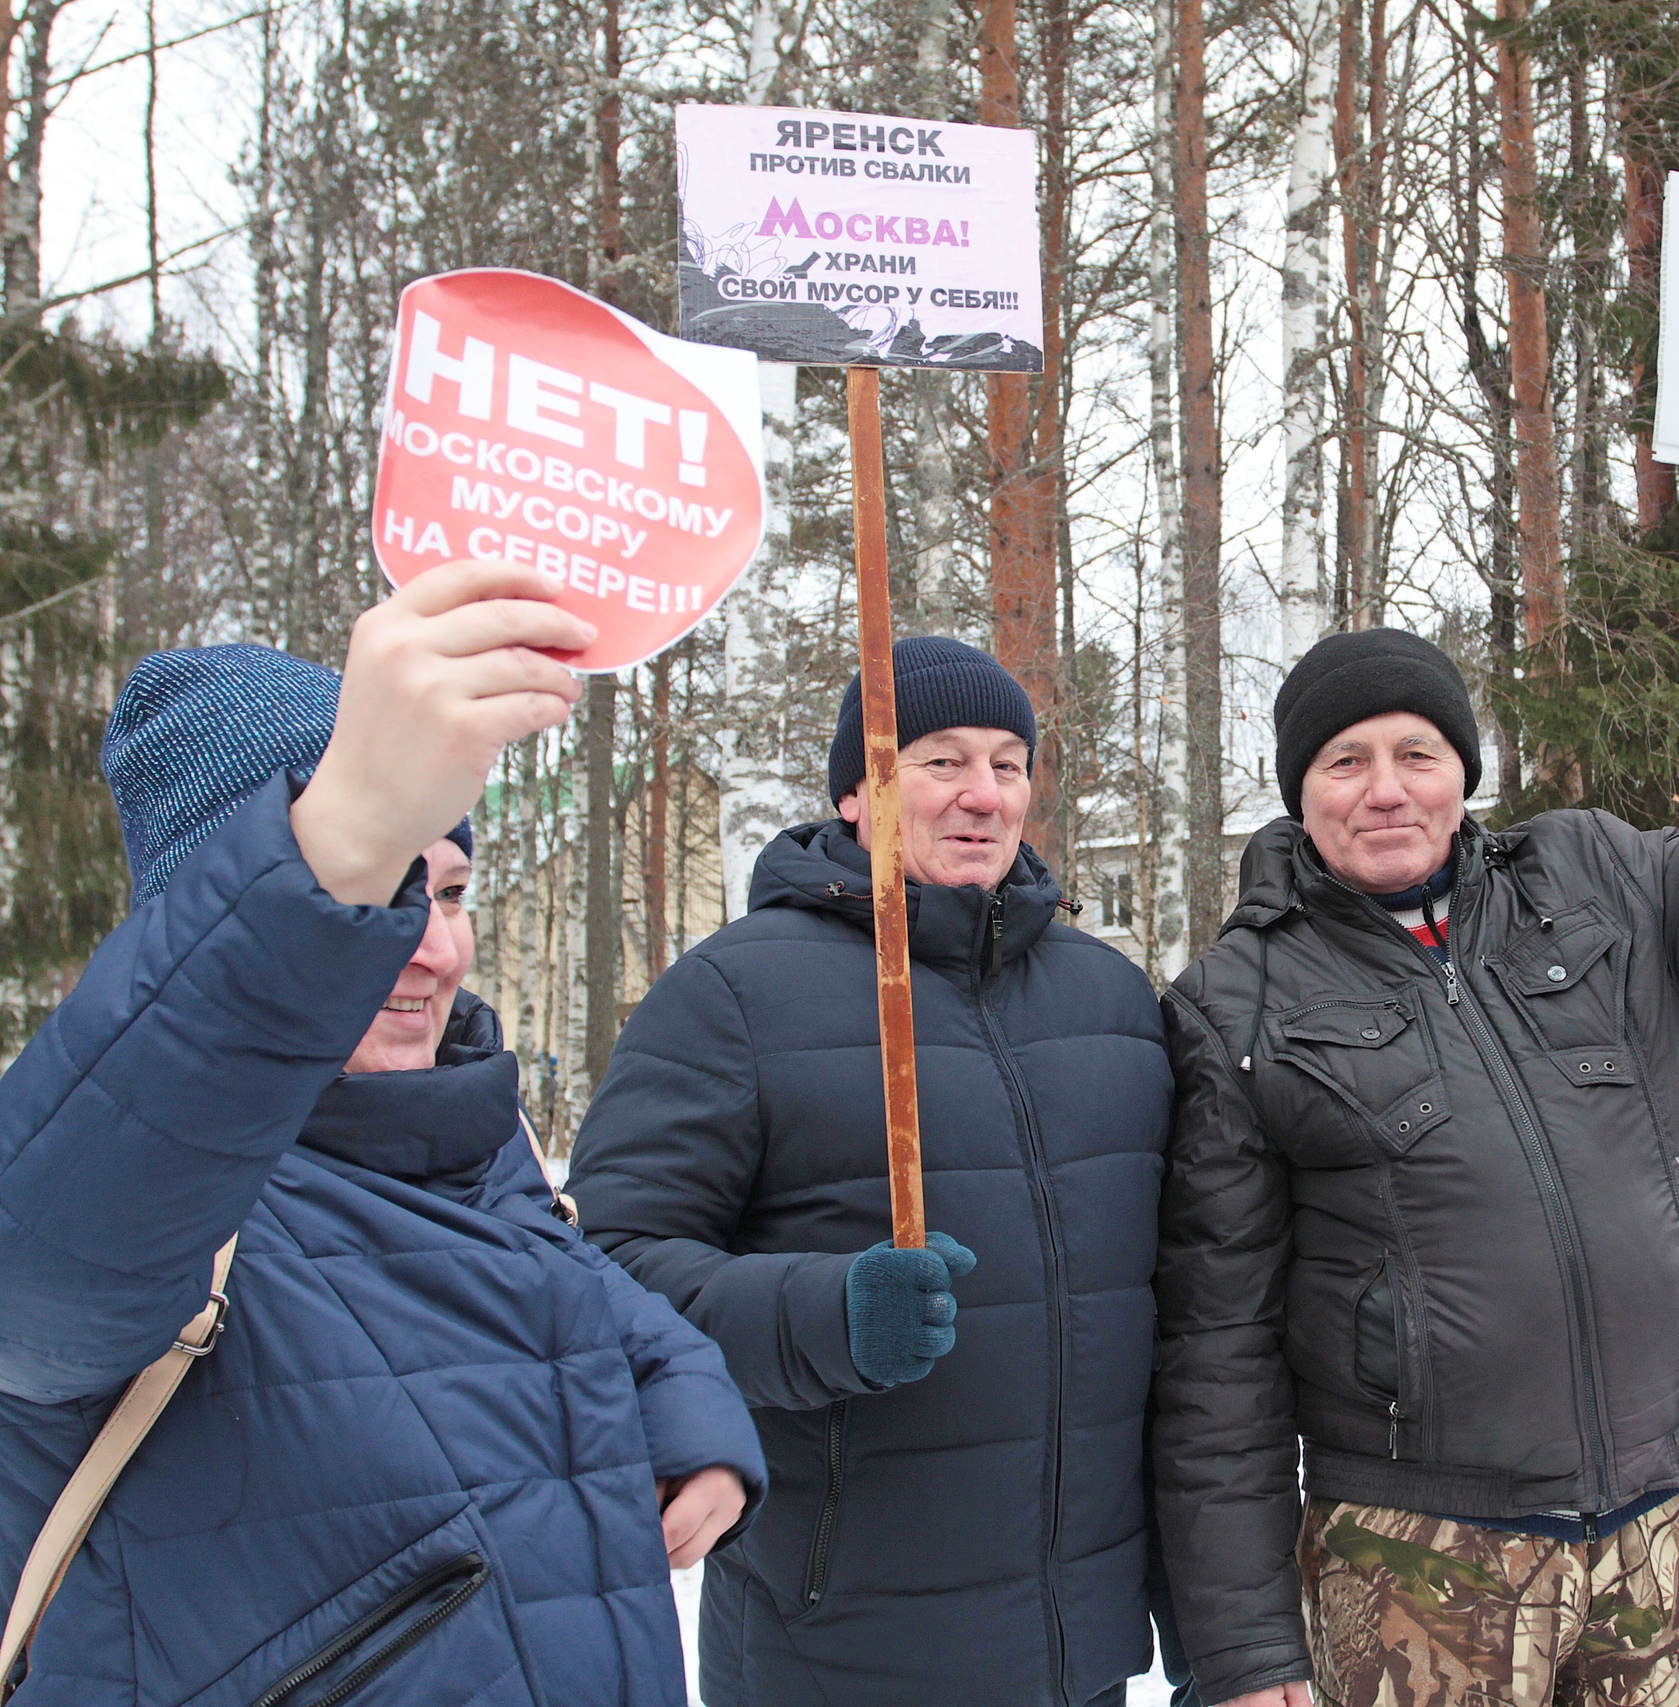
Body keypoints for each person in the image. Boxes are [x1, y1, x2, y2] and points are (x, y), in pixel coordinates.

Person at [1151, 449, 1679, 1707]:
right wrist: (1248, 1656)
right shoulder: (1239, 1004)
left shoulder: (1599, 885)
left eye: (1416, 751)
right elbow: (1218, 1358)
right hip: (1421, 1562)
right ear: (1296, 794)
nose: (1385, 789)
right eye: (1344, 761)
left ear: (1463, 770)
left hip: (1671, 1528)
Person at [0, 562, 765, 1706]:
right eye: (369, 893)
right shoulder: (138, 1183)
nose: (431, 946)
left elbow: (573, 1296)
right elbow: (45, 1279)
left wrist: (680, 1402)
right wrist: (337, 833)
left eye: (446, 890)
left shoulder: (466, 1135)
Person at [568, 637, 1178, 1707]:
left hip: (1074, 1650)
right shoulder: (734, 995)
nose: (982, 794)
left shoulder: (1114, 1003)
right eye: (939, 761)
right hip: (838, 1647)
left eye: (1007, 763)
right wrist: (825, 1315)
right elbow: (602, 1275)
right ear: (856, 792)